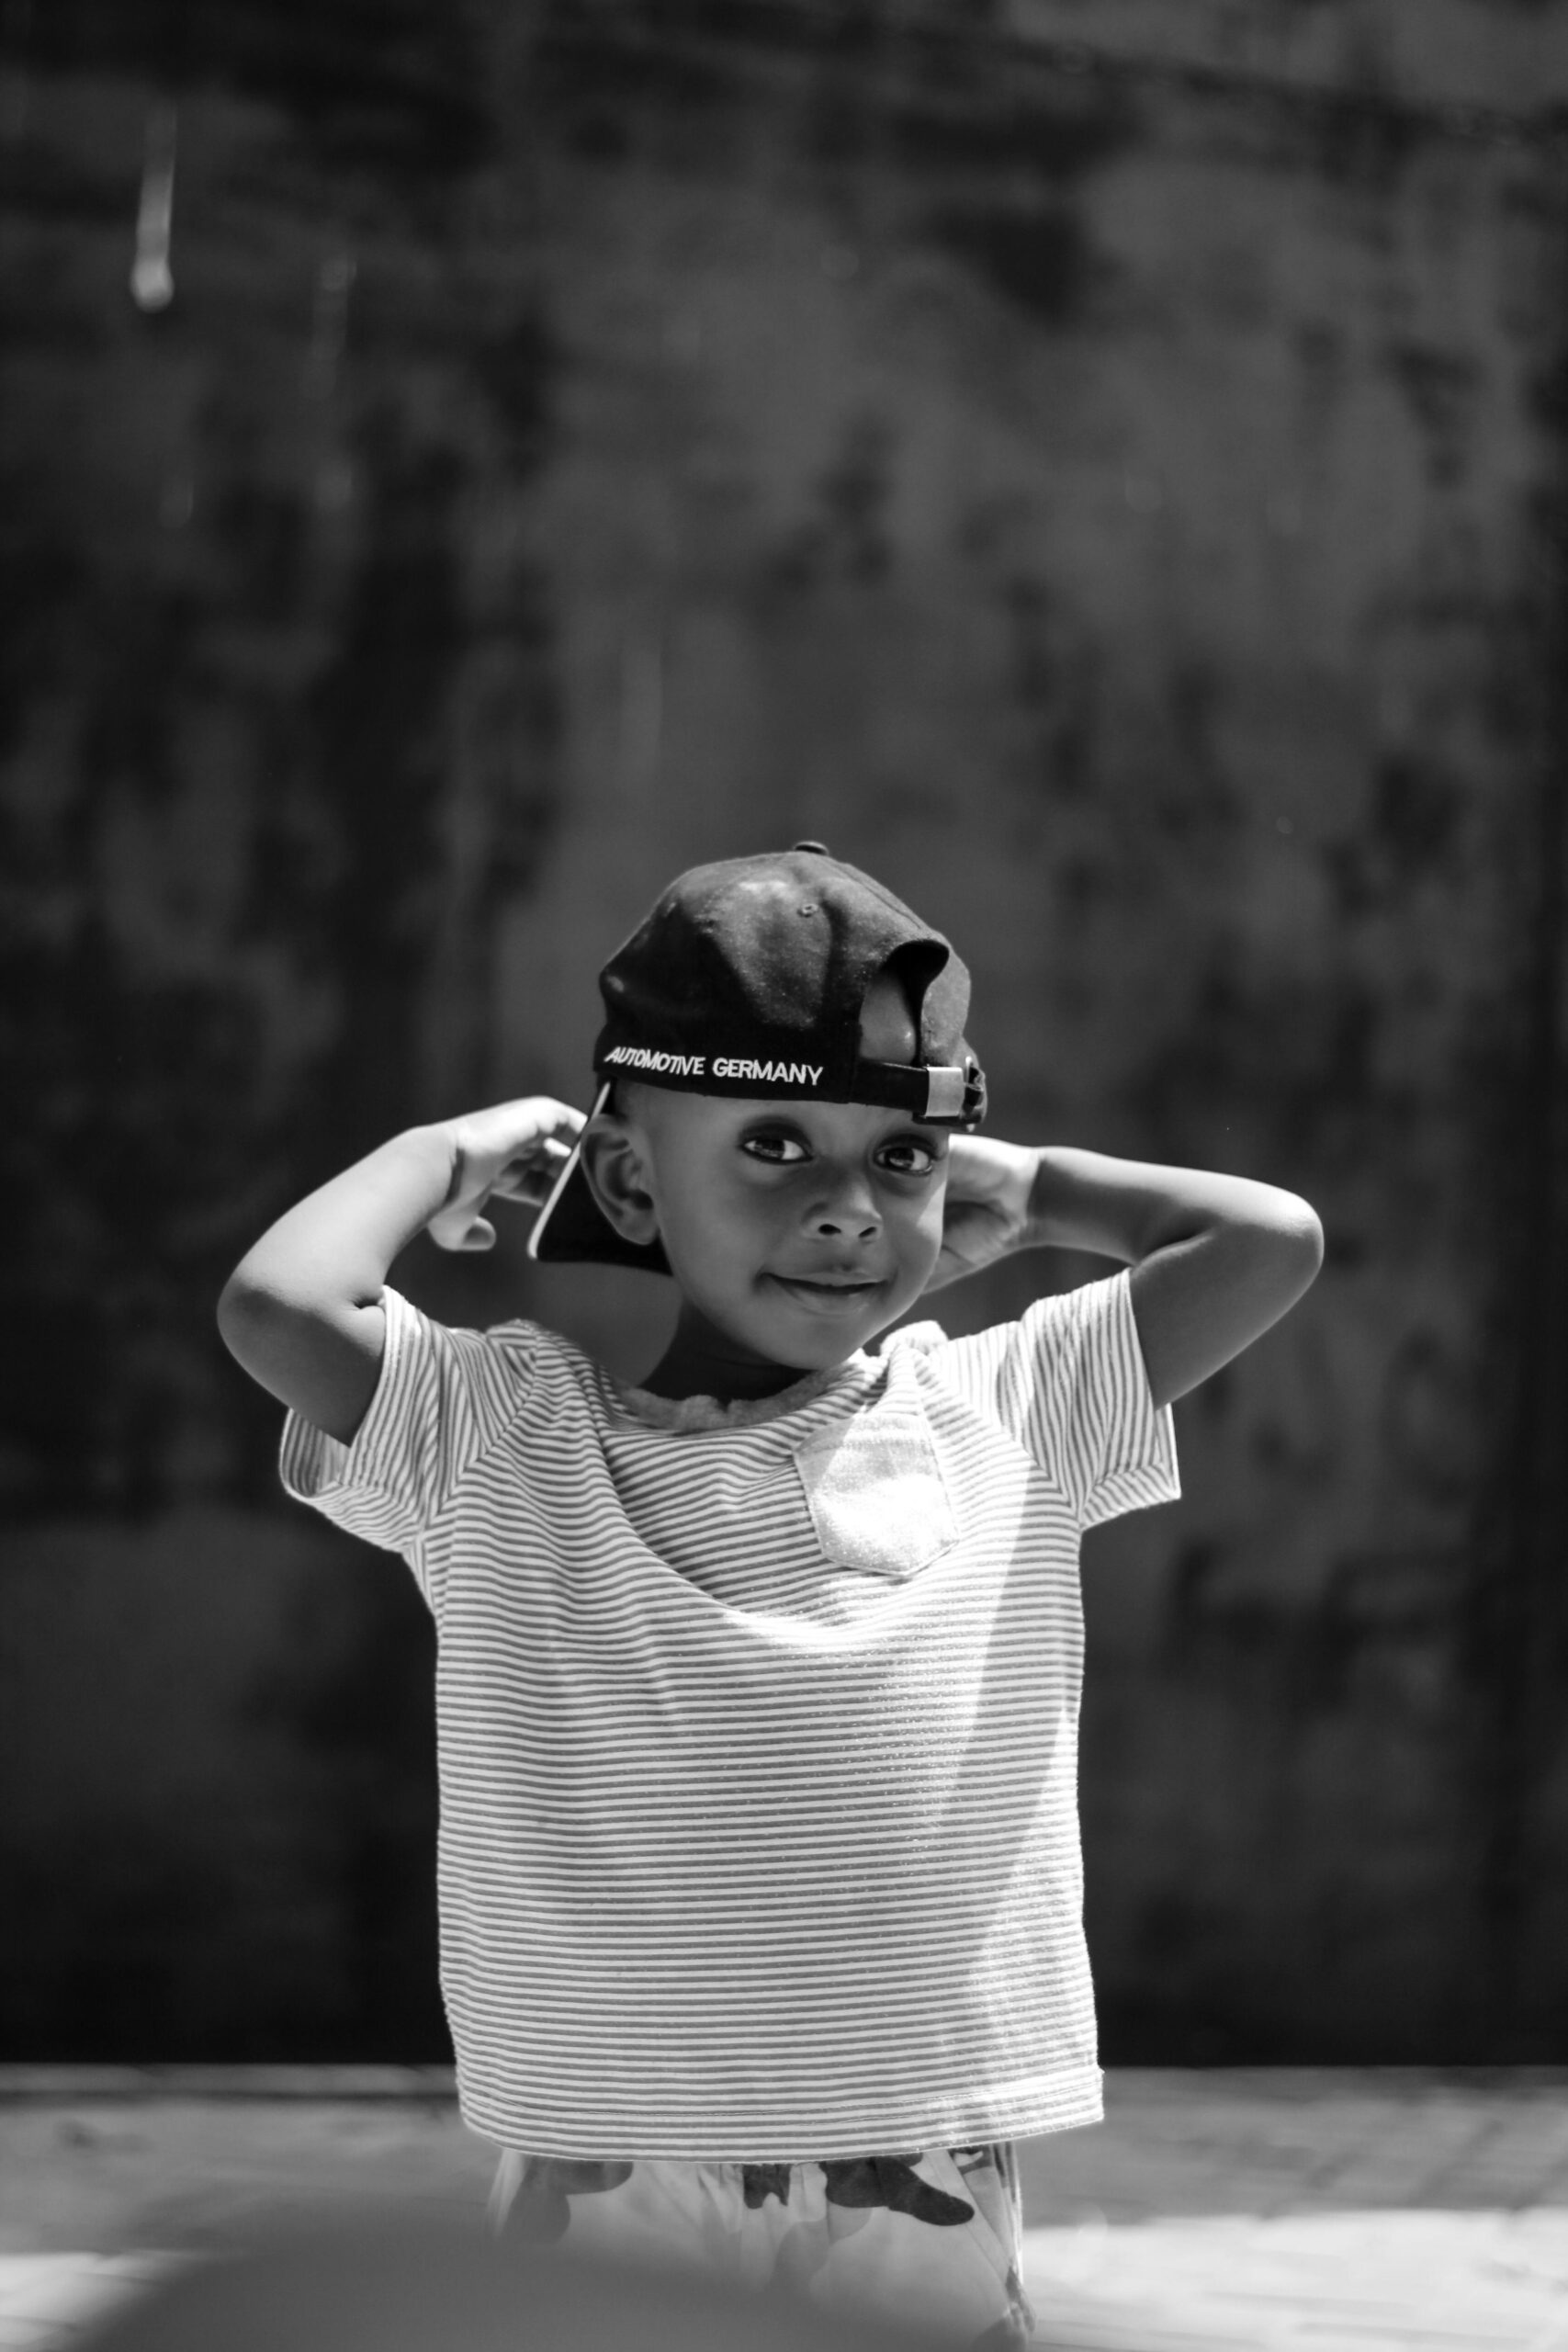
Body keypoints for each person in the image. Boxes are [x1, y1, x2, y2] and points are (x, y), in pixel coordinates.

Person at [218, 843, 1322, 2347]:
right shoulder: (495, 1440)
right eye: (774, 1146)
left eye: (900, 1162)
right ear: (626, 1176)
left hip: (912, 2138)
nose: (850, 1208)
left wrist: (1022, 1180)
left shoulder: (1007, 1408)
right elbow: (280, 1305)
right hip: (603, 2140)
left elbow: (1269, 1239)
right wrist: (456, 1149)